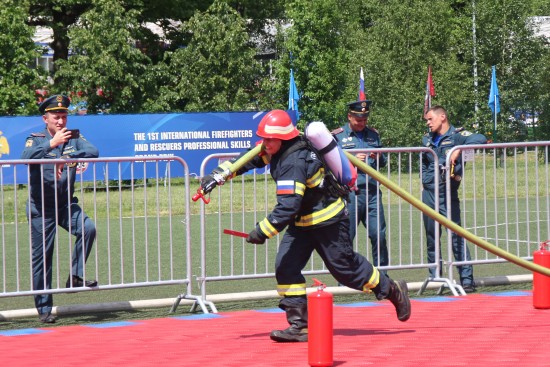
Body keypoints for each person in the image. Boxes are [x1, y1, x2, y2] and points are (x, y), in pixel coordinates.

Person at [200, 109, 411, 343]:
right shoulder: (276, 147)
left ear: (283, 138)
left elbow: (288, 206)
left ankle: (392, 289)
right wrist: (217, 175)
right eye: (263, 138)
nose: (264, 144)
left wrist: (262, 231)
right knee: (286, 267)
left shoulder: (294, 162)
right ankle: (300, 326)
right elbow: (249, 158)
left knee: (345, 270)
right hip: (302, 222)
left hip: (327, 221)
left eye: (268, 139)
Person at [21, 95, 99, 323]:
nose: (62, 121)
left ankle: (75, 276)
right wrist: (51, 145)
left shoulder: (74, 137)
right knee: (43, 258)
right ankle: (44, 309)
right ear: (46, 119)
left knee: (88, 228)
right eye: (57, 117)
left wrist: (64, 157)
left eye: (64, 116)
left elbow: (93, 151)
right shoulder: (35, 139)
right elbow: (25, 158)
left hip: (65, 204)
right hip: (41, 208)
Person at [421, 105, 487, 293]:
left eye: (430, 119)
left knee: (456, 235)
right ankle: (436, 278)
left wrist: (460, 148)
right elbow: (424, 164)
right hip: (429, 192)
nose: (428, 123)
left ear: (442, 117)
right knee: (432, 237)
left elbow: (481, 138)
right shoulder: (427, 139)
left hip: (448, 193)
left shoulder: (457, 135)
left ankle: (466, 279)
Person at [333, 100, 389, 271]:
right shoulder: (337, 136)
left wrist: (377, 157)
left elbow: (383, 162)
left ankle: (382, 276)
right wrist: (352, 160)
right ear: (350, 116)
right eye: (359, 119)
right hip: (349, 195)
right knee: (346, 237)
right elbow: (331, 163)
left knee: (378, 235)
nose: (362, 122)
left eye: (365, 119)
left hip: (372, 193)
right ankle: (346, 276)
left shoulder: (373, 135)